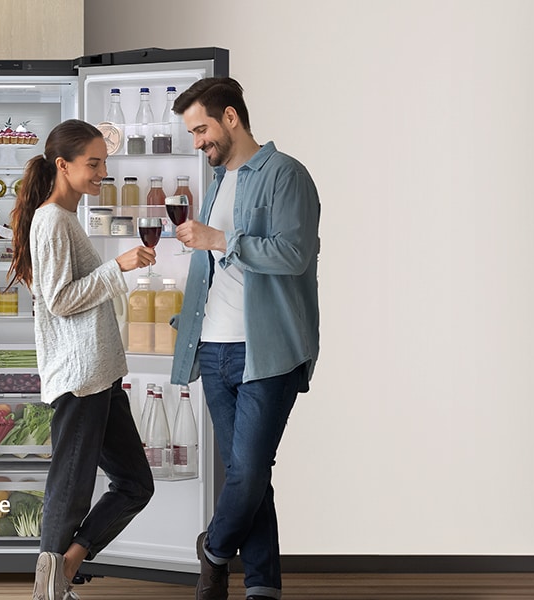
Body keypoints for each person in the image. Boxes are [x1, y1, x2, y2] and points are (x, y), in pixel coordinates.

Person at [168, 78, 321, 600]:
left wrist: (219, 239)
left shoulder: (286, 175)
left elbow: (293, 255)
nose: (197, 142)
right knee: (248, 475)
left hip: (266, 349)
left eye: (202, 129)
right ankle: (261, 588)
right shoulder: (215, 183)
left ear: (231, 117)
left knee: (250, 470)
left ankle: (213, 550)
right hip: (213, 350)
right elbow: (214, 273)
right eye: (191, 133)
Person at [7, 119, 157, 600]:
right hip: (79, 376)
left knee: (135, 483)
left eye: (104, 164)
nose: (101, 173)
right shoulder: (51, 219)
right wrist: (118, 267)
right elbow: (58, 299)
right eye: (93, 164)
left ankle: (64, 569)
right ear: (63, 165)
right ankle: (48, 589)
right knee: (70, 488)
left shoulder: (66, 219)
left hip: (101, 375)